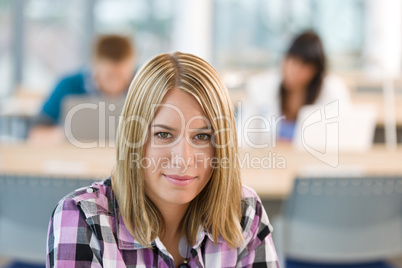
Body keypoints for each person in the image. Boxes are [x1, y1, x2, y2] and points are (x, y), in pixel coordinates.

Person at [46, 52, 279, 267]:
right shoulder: (84, 219)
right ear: (134, 139)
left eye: (202, 136)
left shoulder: (244, 213)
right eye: (163, 134)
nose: (183, 159)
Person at [246, 31, 351, 142]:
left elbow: (345, 135)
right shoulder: (261, 86)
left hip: (312, 159)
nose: (294, 70)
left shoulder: (332, 90)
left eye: (303, 65)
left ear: (315, 71)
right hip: (269, 158)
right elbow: (244, 138)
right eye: (292, 60)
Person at [29, 34, 136, 143]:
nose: (115, 84)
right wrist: (68, 134)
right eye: (109, 76)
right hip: (75, 157)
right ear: (95, 65)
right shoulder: (67, 86)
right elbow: (36, 134)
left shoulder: (143, 85)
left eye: (122, 77)